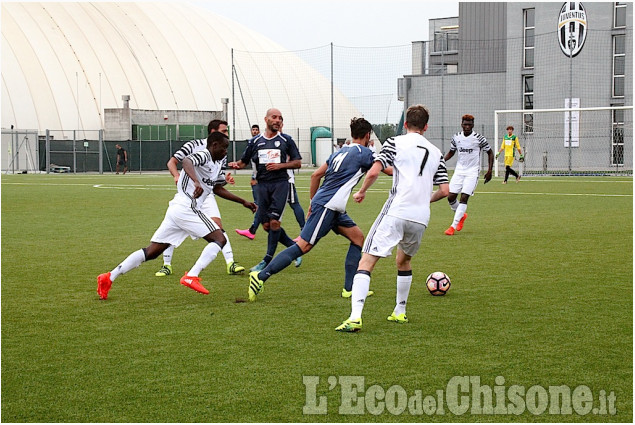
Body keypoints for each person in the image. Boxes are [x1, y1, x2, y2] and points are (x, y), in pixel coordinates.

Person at [97, 132, 257, 300]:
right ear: (214, 145)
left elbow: (217, 188)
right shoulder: (204, 154)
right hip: (187, 207)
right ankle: (191, 276)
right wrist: (195, 181)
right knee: (220, 238)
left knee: (152, 252)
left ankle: (109, 277)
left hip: (177, 210)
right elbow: (187, 161)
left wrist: (243, 202)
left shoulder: (216, 164)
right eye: (224, 148)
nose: (226, 152)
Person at [247, 117, 390, 302]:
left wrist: (311, 202)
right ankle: (260, 277)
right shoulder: (364, 153)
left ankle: (349, 288)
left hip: (330, 206)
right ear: (367, 135)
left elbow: (316, 175)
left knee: (357, 237)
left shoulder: (339, 152)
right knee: (303, 246)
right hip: (328, 206)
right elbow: (386, 170)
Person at [335, 105, 449, 332]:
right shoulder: (436, 152)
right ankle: (400, 311)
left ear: (405, 124)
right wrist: (426, 200)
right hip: (420, 218)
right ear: (426, 127)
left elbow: (375, 171)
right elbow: (446, 191)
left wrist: (362, 191)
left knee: (365, 262)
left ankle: (355, 316)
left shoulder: (395, 142)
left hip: (397, 211)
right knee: (403, 261)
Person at [154, 119, 248, 277]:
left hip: (207, 194)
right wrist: (176, 175)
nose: (227, 135)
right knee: (173, 226)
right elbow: (173, 162)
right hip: (189, 194)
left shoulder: (221, 149)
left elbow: (214, 178)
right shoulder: (194, 145)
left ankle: (230, 262)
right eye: (224, 131)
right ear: (213, 132)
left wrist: (225, 179)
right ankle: (167, 265)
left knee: (217, 226)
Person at [228, 108, 302, 273]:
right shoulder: (255, 142)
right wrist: (235, 165)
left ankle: (266, 261)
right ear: (266, 119)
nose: (277, 120)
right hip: (262, 186)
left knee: (275, 222)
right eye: (274, 117)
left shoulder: (286, 140)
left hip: (280, 185)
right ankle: (295, 249)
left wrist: (280, 166)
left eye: (280, 118)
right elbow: (243, 162)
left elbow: (297, 163)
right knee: (267, 226)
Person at [443, 114, 494, 236]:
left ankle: (452, 226)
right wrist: (441, 161)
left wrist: (489, 170)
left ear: (473, 125)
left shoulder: (479, 138)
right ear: (461, 124)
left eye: (469, 125)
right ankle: (461, 215)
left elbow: (490, 153)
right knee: (450, 197)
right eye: (465, 124)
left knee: (464, 198)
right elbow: (451, 152)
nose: (467, 126)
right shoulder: (456, 137)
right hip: (459, 171)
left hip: (472, 172)